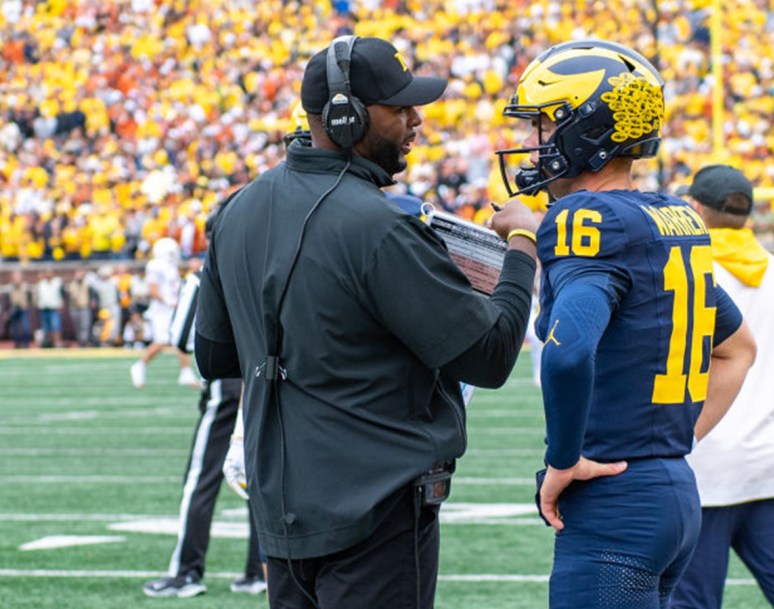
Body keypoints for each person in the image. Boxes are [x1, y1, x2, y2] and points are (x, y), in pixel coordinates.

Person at [194, 35, 538, 609]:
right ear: (346, 116)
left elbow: (215, 357)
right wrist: (522, 244)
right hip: (375, 514)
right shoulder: (379, 227)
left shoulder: (236, 210)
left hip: (283, 516)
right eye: (399, 108)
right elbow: (492, 354)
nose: (415, 121)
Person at [496, 40, 756, 609]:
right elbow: (738, 348)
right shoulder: (669, 216)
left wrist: (562, 460)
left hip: (614, 503)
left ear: (583, 128)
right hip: (674, 491)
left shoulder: (581, 220)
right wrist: (675, 439)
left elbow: (568, 351)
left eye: (544, 124)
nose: (534, 141)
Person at [672, 165, 774, 609]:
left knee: (692, 599)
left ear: (696, 208)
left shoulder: (686, 272)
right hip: (773, 459)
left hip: (705, 462)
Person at [142, 208, 265, 599]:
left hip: (223, 385)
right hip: (260, 383)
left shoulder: (204, 276)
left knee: (201, 478)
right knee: (256, 476)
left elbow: (181, 336)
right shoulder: (261, 270)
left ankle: (186, 571)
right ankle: (258, 570)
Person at [130, 237, 199, 388]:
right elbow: (152, 289)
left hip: (171, 308)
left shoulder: (170, 266)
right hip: (161, 310)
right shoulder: (155, 265)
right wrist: (168, 301)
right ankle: (139, 365)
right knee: (162, 341)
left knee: (182, 337)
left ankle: (186, 371)